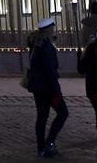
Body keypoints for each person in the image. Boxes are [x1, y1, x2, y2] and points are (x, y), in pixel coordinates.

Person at [27, 17, 68, 158]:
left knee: (42, 117)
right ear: (49, 30)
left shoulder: (35, 43)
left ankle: (41, 147)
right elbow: (50, 70)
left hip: (37, 86)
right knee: (63, 113)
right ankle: (49, 142)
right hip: (48, 88)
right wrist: (56, 91)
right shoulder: (46, 47)